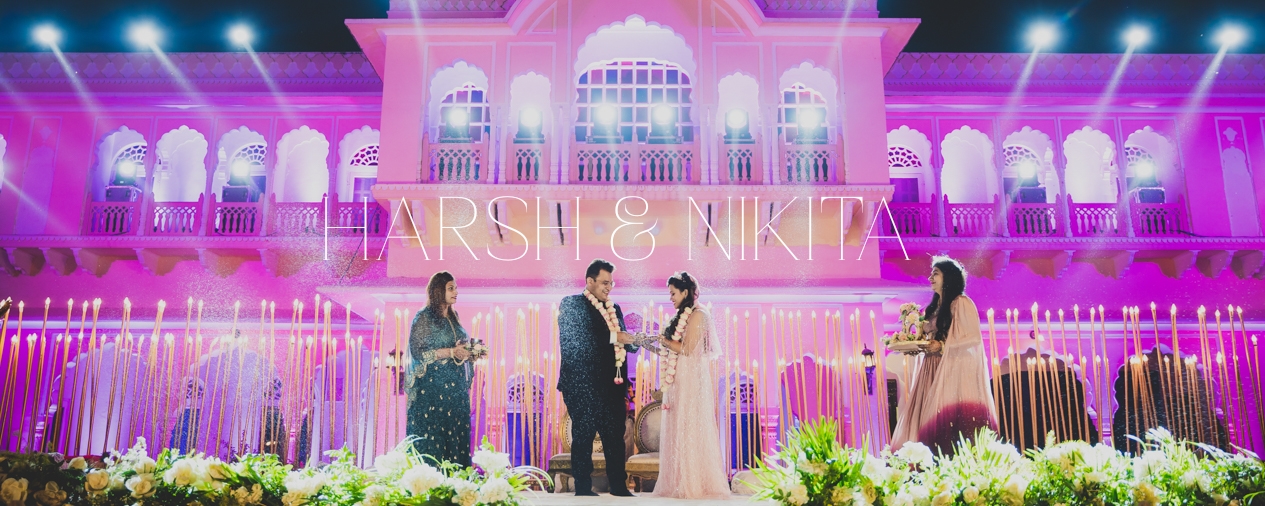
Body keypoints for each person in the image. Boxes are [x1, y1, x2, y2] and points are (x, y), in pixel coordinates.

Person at [890, 257, 998, 456]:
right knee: (925, 416)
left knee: (945, 417)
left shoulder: (961, 303)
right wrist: (913, 345)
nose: (930, 277)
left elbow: (972, 337)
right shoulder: (933, 308)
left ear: (948, 276)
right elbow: (926, 339)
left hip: (952, 368)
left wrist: (942, 345)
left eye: (936, 273)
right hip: (931, 367)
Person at [557, 259, 639, 496]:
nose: (609, 287)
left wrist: (636, 341)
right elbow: (577, 340)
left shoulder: (615, 308)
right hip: (582, 384)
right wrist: (616, 337)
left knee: (614, 437)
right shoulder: (572, 304)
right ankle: (583, 488)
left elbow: (621, 339)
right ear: (589, 281)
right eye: (604, 283)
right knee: (583, 436)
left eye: (611, 283)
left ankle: (619, 486)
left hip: (612, 385)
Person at [652, 272, 730, 499]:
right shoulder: (682, 315)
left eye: (673, 293)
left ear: (685, 292)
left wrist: (665, 341)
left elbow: (687, 349)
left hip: (691, 380)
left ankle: (693, 483)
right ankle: (677, 481)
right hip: (679, 378)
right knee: (678, 426)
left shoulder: (699, 314)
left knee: (691, 427)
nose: (670, 298)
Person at [405, 271, 473, 466]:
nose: (456, 292)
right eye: (451, 288)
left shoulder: (454, 317)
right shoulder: (423, 318)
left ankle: (458, 482)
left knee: (456, 436)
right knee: (433, 438)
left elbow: (457, 346)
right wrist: (450, 352)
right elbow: (418, 353)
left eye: (456, 288)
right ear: (438, 291)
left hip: (455, 390)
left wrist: (469, 352)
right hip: (432, 390)